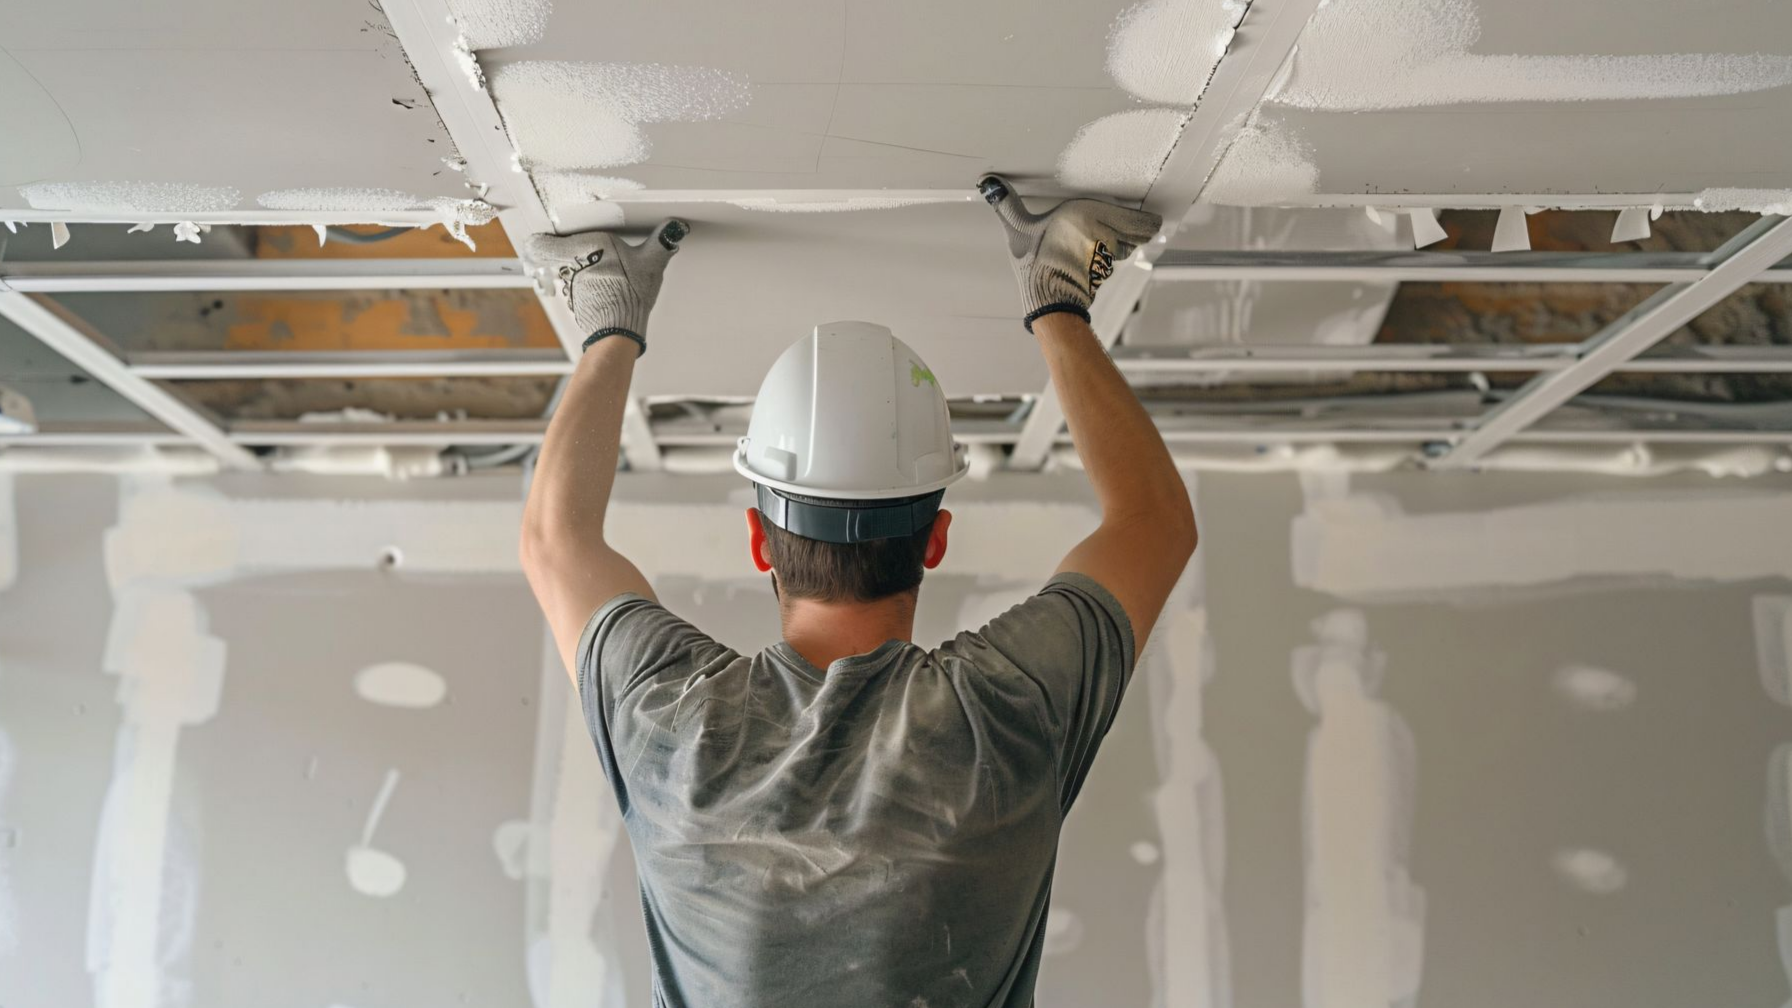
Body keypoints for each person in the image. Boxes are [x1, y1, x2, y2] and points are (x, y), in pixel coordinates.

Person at [520, 176, 1198, 1008]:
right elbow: (557, 544)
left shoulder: (680, 728)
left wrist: (608, 324)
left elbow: (1155, 524)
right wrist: (609, 315)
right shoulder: (999, 715)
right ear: (935, 543)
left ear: (760, 542)